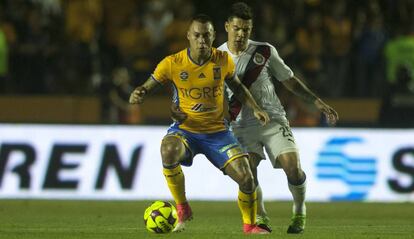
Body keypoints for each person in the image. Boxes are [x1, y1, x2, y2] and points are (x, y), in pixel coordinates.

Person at [172, 3, 339, 234]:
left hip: (272, 118)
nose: (241, 34)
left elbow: (288, 80)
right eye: (237, 28)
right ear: (227, 26)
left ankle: (299, 210)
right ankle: (260, 217)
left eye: (246, 30)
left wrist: (316, 101)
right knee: (248, 173)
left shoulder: (265, 51)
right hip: (240, 124)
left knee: (293, 168)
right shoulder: (216, 58)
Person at [129, 14, 271, 234]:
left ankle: (249, 225)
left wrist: (255, 107)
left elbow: (238, 87)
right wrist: (140, 92)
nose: (202, 40)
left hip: (218, 133)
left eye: (207, 35)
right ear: (188, 36)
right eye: (197, 35)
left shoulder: (223, 60)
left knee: (246, 177)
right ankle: (182, 207)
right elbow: (148, 86)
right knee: (167, 150)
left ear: (214, 36)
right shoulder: (172, 63)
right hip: (186, 131)